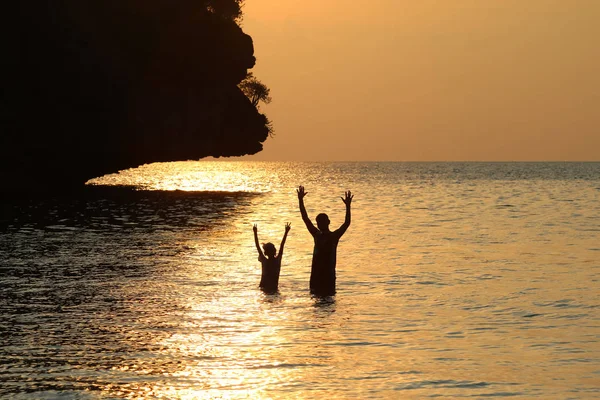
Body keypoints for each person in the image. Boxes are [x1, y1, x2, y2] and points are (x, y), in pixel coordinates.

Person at [297, 186, 353, 296]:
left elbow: (346, 223)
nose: (319, 224)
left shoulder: (334, 236)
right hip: (316, 276)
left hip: (328, 276)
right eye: (318, 222)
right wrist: (300, 200)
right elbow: (305, 218)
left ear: (328, 222)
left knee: (329, 299)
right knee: (316, 301)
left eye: (321, 222)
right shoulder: (317, 235)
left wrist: (348, 206)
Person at [253, 222, 291, 294]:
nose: (274, 250)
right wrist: (286, 232)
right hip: (269, 287)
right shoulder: (276, 260)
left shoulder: (265, 261)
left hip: (265, 287)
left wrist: (255, 233)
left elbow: (257, 246)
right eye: (273, 249)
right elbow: (282, 245)